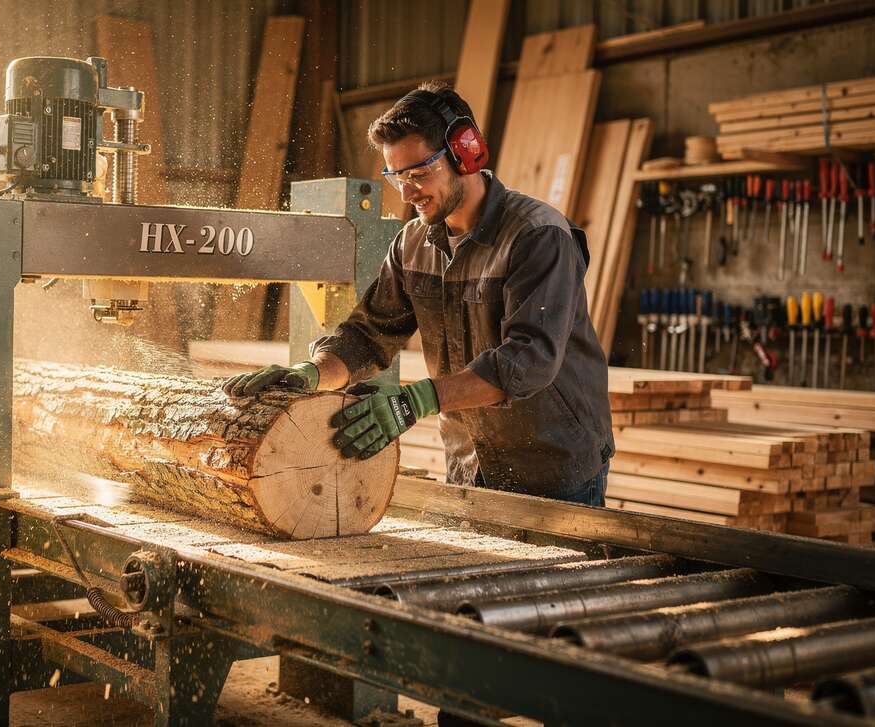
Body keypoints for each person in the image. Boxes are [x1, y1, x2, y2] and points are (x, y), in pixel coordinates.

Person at [223, 81, 613, 508]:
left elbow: (528, 360)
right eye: (395, 178)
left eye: (418, 174)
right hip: (469, 463)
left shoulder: (537, 236)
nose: (408, 194)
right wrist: (311, 374)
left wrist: (417, 400)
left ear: (466, 153)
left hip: (553, 467)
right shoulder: (412, 244)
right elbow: (367, 337)